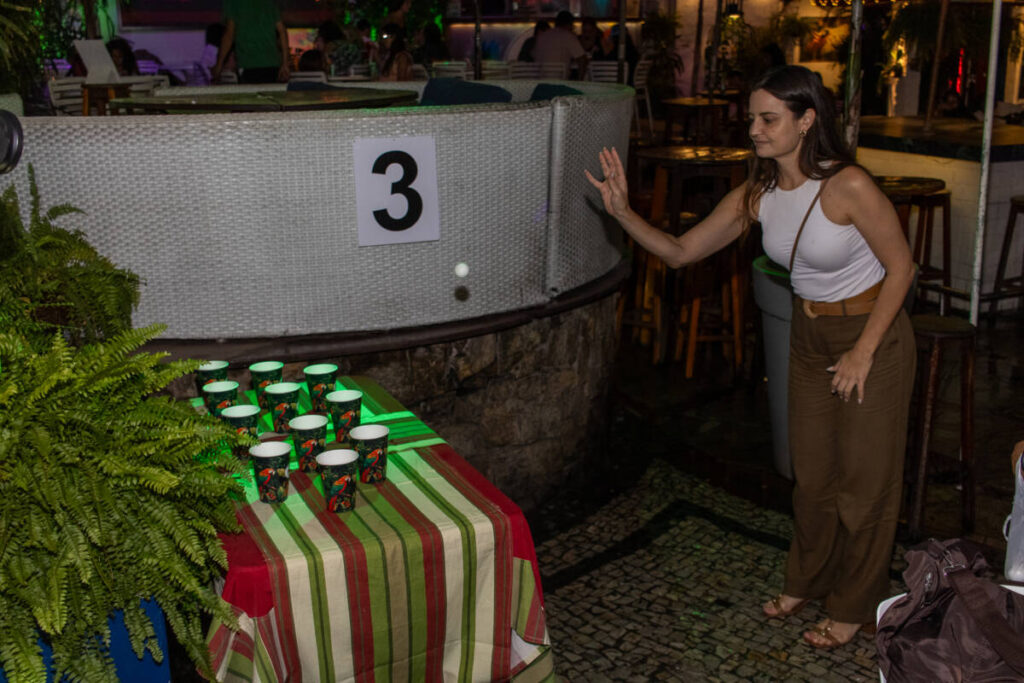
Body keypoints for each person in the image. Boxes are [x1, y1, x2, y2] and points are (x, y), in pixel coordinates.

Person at [585, 65, 916, 650]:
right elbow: (682, 251)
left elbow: (902, 268)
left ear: (806, 120)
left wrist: (863, 352)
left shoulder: (848, 185)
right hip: (809, 336)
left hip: (872, 335)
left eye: (768, 119)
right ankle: (808, 580)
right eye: (752, 119)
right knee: (811, 477)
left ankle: (855, 603)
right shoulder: (759, 193)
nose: (755, 130)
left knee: (865, 484)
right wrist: (623, 213)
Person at [213, 0, 290, 84]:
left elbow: (229, 35)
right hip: (271, 64)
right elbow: (282, 31)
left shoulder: (233, 3)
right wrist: (285, 63)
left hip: (248, 63)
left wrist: (219, 64)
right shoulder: (269, 2)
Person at [533, 10, 587, 78]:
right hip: (559, 80)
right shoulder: (568, 36)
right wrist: (580, 80)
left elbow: (534, 56)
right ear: (569, 24)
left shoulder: (542, 36)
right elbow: (582, 59)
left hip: (539, 80)